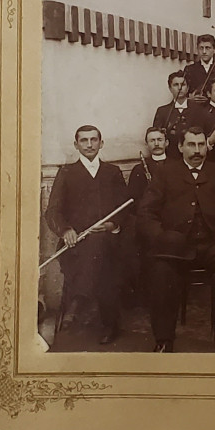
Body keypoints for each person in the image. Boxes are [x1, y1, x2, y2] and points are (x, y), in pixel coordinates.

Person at [137, 127, 215, 353]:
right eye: (191, 145)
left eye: (201, 145)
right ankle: (163, 339)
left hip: (213, 243)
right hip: (175, 246)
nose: (197, 150)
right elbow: (146, 212)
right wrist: (161, 237)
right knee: (160, 272)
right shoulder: (166, 172)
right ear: (180, 147)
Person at [45, 125, 128, 345]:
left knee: (102, 246)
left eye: (94, 140)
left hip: (109, 241)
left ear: (101, 143)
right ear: (76, 145)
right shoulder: (66, 172)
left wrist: (112, 224)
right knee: (98, 254)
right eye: (84, 140)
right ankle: (107, 321)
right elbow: (52, 211)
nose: (89, 144)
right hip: (75, 245)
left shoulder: (113, 172)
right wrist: (66, 230)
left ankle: (79, 301)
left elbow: (126, 208)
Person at [125, 127, 170, 303]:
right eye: (152, 140)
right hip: (150, 220)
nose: (156, 143)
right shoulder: (139, 169)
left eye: (160, 139)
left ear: (166, 142)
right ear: (147, 144)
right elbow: (134, 200)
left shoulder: (177, 165)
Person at [152, 72, 196, 160]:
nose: (179, 88)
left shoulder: (198, 110)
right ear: (170, 88)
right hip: (170, 159)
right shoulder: (162, 111)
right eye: (176, 85)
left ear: (188, 88)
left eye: (183, 85)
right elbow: (156, 136)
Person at [183, 34, 215, 104]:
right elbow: (183, 91)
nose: (204, 52)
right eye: (201, 48)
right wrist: (190, 98)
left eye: (208, 48)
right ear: (197, 49)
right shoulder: (190, 69)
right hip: (196, 108)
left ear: (214, 50)